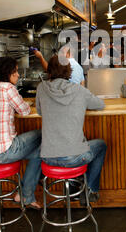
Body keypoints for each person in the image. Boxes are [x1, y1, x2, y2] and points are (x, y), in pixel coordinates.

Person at [35, 54, 107, 204]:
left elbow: (40, 112)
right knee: (100, 145)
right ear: (69, 70)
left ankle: (75, 188)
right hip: (74, 157)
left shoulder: (41, 88)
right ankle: (90, 191)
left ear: (50, 71)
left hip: (48, 157)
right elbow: (100, 105)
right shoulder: (79, 90)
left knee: (77, 147)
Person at [0, 56, 42, 209]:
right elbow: (24, 111)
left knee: (40, 151)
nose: (18, 75)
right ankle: (25, 194)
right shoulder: (8, 88)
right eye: (15, 72)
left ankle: (25, 195)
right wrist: (25, 104)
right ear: (6, 73)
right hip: (6, 152)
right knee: (44, 135)